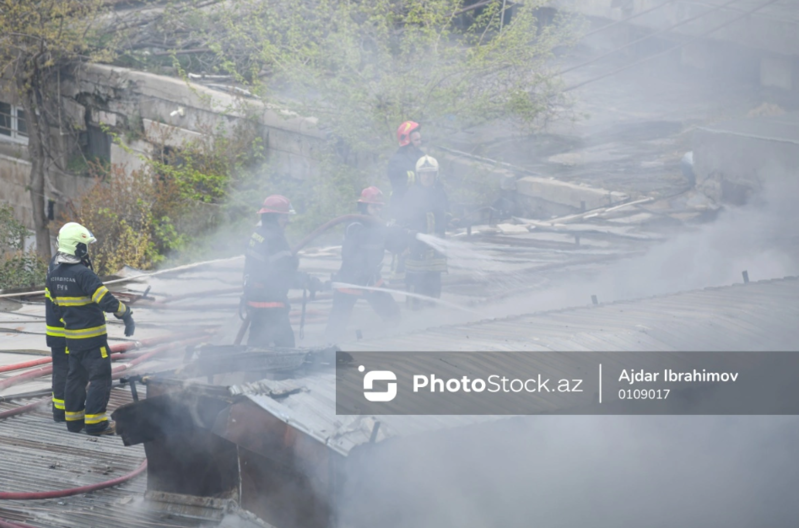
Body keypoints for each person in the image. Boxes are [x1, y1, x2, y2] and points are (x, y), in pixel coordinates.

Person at [46, 222, 135, 435]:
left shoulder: (54, 275)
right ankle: (95, 423)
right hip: (93, 341)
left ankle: (73, 421)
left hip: (72, 341)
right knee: (100, 379)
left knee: (75, 378)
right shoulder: (84, 274)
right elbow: (107, 301)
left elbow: (56, 308)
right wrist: (126, 314)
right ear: (79, 248)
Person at [325, 187, 411, 342]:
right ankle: (327, 350)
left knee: (393, 314)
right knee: (337, 323)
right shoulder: (354, 224)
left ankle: (385, 341)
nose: (377, 210)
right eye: (374, 206)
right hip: (350, 280)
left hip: (371, 279)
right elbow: (365, 237)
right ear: (364, 206)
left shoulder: (379, 226)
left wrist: (403, 245)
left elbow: (390, 244)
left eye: (379, 207)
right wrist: (386, 229)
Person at [243, 195, 320, 348]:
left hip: (255, 299)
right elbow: (284, 274)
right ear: (274, 217)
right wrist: (308, 281)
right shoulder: (276, 240)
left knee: (256, 346)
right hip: (271, 304)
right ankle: (284, 372)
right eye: (284, 216)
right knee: (286, 348)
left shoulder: (258, 234)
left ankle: (250, 370)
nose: (287, 221)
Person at [400, 155, 449, 309]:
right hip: (416, 250)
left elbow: (444, 214)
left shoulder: (440, 193)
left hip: (435, 251)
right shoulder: (411, 194)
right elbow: (402, 223)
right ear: (418, 175)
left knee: (434, 286)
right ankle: (412, 316)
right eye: (424, 173)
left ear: (436, 175)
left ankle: (431, 316)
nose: (427, 177)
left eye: (430, 173)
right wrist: (404, 245)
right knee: (415, 286)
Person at [44, 257, 67, 423]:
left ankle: (61, 410)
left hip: (57, 330)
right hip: (64, 331)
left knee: (62, 371)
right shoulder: (62, 267)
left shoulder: (56, 264)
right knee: (66, 371)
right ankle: (62, 411)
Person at [387, 120, 424, 215]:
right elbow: (400, 186)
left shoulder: (422, 157)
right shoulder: (396, 162)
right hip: (403, 206)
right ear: (407, 142)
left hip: (422, 203)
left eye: (420, 139)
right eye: (416, 140)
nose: (420, 142)